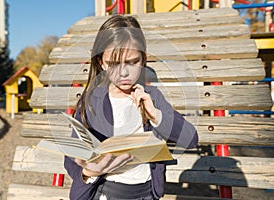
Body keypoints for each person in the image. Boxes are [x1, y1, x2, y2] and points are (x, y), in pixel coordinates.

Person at [64, 15, 198, 200]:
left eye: (132, 61)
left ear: (143, 59)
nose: (124, 72)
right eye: (113, 64)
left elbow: (191, 139)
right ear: (101, 63)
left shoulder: (152, 97)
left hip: (146, 194)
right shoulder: (92, 102)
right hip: (106, 192)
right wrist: (89, 172)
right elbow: (71, 159)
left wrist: (156, 115)